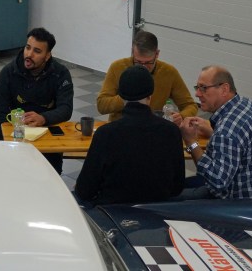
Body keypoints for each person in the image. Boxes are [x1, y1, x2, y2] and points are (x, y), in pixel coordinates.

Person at [74, 65, 185, 205]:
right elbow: (177, 187)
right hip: (157, 210)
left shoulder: (106, 134)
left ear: (121, 96)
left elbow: (85, 190)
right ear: (150, 95)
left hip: (112, 211)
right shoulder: (171, 131)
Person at [179, 65, 252, 199]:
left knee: (169, 196)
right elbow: (239, 143)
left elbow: (216, 182)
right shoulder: (247, 104)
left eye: (203, 88)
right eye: (197, 87)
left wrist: (191, 142)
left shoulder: (226, 131)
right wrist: (213, 133)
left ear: (224, 89)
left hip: (240, 203)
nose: (197, 94)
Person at [0, 27, 73, 173]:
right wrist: (19, 130)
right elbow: (1, 115)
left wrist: (43, 118)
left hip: (47, 133)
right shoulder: (8, 72)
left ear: (47, 55)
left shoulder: (60, 74)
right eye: (28, 47)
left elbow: (66, 109)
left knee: (50, 176)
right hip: (14, 132)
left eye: (37, 51)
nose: (29, 54)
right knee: (2, 173)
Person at [97, 30, 197, 123]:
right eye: (138, 62)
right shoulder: (117, 67)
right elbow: (102, 105)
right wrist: (128, 98)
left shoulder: (169, 72)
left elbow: (190, 105)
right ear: (132, 52)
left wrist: (182, 116)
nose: (143, 67)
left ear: (157, 54)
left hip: (153, 128)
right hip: (121, 127)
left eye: (148, 62)